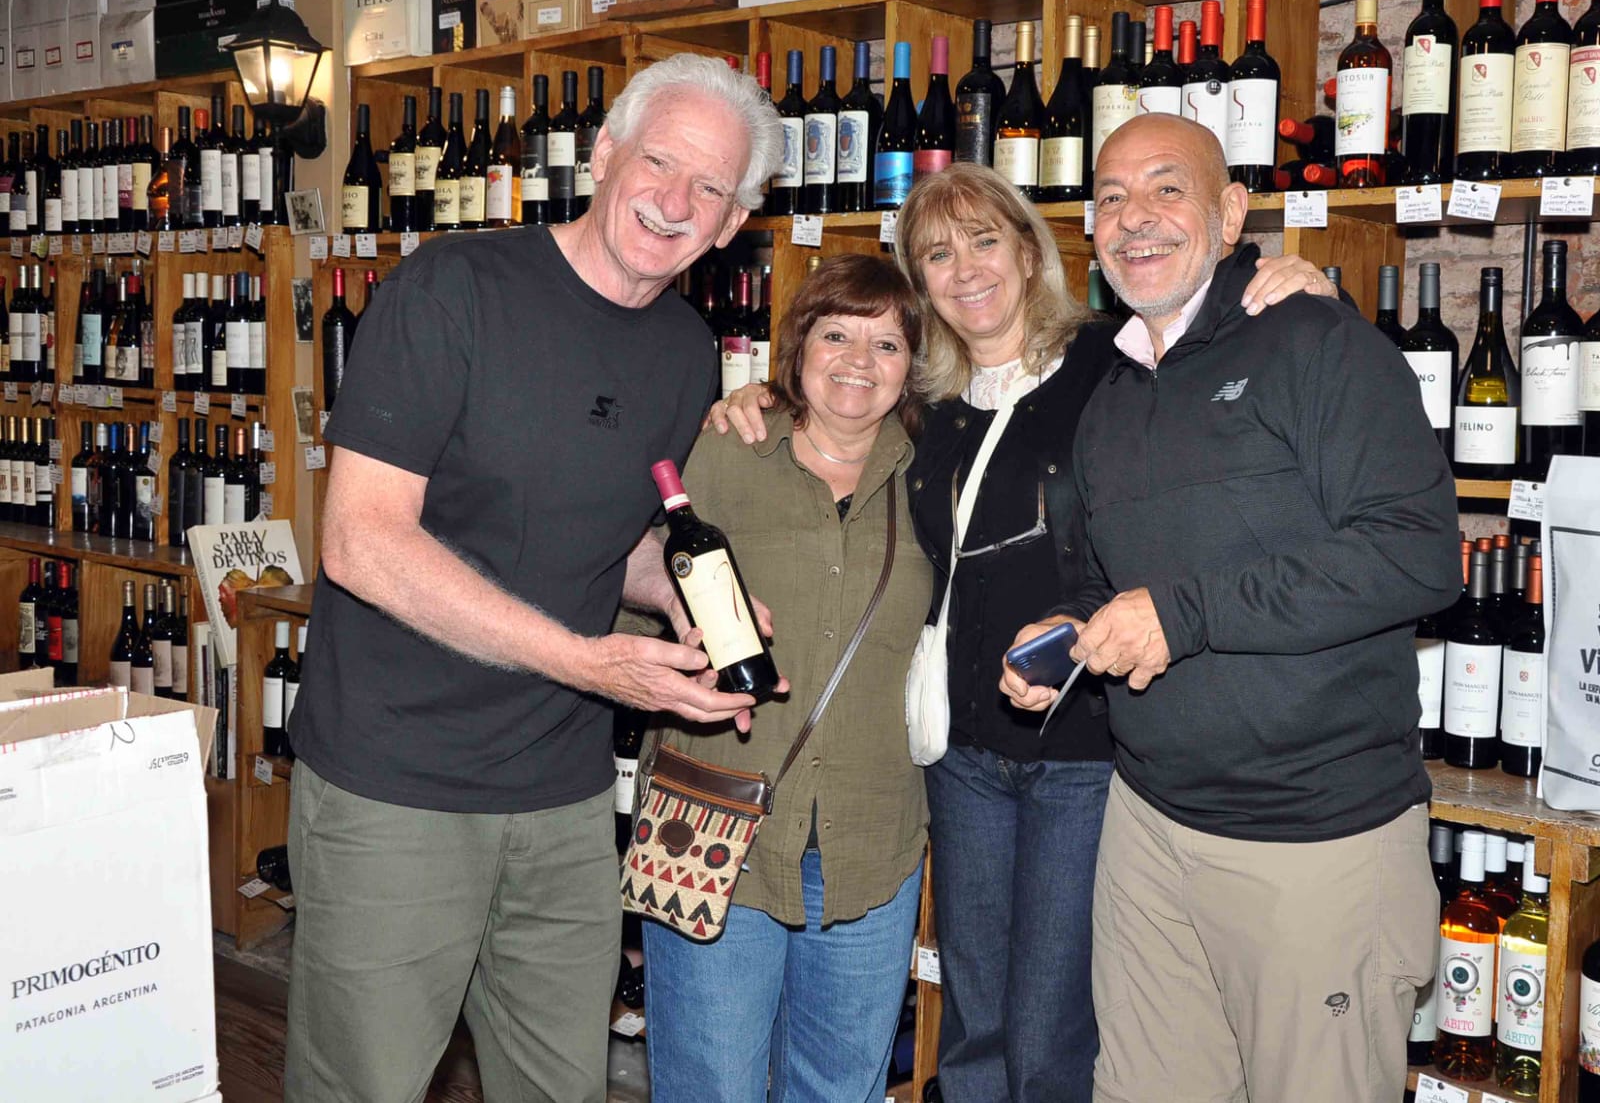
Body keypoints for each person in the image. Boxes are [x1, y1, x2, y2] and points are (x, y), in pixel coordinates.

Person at [712, 162, 1333, 1102]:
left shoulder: (1112, 360)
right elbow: (829, 409)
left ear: (1030, 251)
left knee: (1049, 1030)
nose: (964, 267)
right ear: (919, 284)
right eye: (936, 253)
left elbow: (1220, 344)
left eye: (982, 240)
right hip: (961, 752)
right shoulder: (923, 402)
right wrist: (755, 397)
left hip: (1083, 752)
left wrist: (1293, 282)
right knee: (972, 1023)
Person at [282, 54, 783, 1103]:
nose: (673, 200)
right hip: (396, 785)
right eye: (659, 161)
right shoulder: (453, 289)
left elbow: (616, 541)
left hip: (562, 797)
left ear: (734, 221)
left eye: (709, 187)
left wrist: (689, 604)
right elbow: (361, 541)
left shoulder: (686, 351)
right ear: (602, 155)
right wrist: (588, 663)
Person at [1001, 113, 1460, 1103]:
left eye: (1167, 188)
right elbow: (1112, 581)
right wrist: (1065, 636)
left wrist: (1183, 614)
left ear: (1230, 212)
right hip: (1147, 825)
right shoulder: (1112, 393)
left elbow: (1415, 552)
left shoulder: (1317, 342)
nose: (1136, 216)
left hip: (1314, 837)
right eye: (1112, 197)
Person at [642, 253, 934, 1103]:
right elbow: (634, 607)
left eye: (887, 343)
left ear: (912, 366)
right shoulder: (725, 450)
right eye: (837, 334)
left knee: (837, 1090)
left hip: (870, 844)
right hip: (710, 825)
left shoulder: (932, 473)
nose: (859, 360)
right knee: (708, 1086)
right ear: (798, 346)